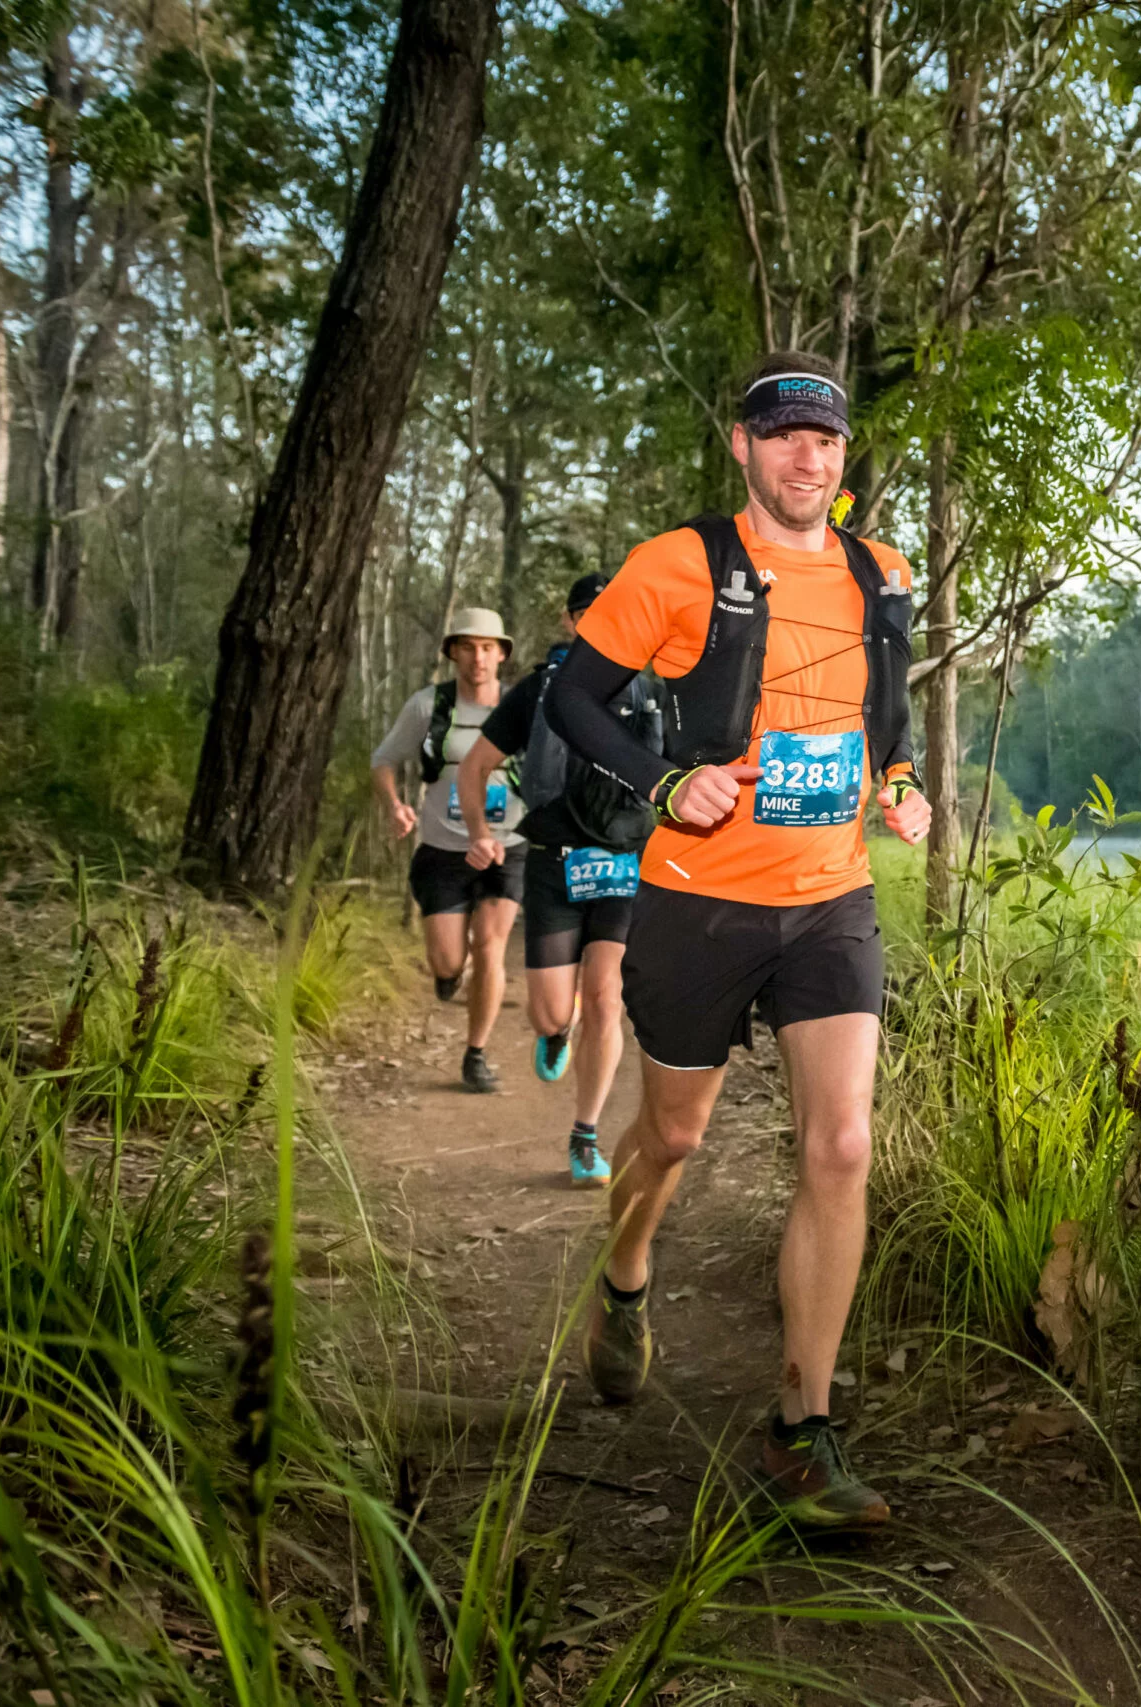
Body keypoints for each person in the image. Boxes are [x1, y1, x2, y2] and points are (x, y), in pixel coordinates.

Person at [544, 351, 929, 1529]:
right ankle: (624, 1274)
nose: (807, 456)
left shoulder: (879, 570)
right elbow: (572, 699)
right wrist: (666, 784)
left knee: (843, 1146)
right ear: (742, 446)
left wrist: (900, 781)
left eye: (826, 438)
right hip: (697, 898)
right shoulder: (676, 566)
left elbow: (885, 711)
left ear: (842, 455)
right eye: (784, 435)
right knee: (672, 1135)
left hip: (830, 898)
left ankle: (800, 1430)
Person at [458, 573, 663, 1188]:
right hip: (554, 861)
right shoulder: (539, 692)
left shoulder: (654, 692)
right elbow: (475, 766)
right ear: (571, 622)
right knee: (552, 1012)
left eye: (613, 609)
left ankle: (585, 1135)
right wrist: (479, 833)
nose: (601, 621)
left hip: (624, 863)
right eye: (587, 613)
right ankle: (555, 1030)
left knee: (606, 998)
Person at [373, 609, 527, 1092]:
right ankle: (450, 973)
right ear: (453, 653)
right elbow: (384, 759)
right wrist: (395, 805)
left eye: (487, 648)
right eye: (468, 647)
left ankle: (475, 1054)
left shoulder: (521, 707)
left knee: (490, 946)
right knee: (447, 962)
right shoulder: (429, 707)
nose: (478, 658)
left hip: (507, 847)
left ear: (501, 654)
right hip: (443, 849)